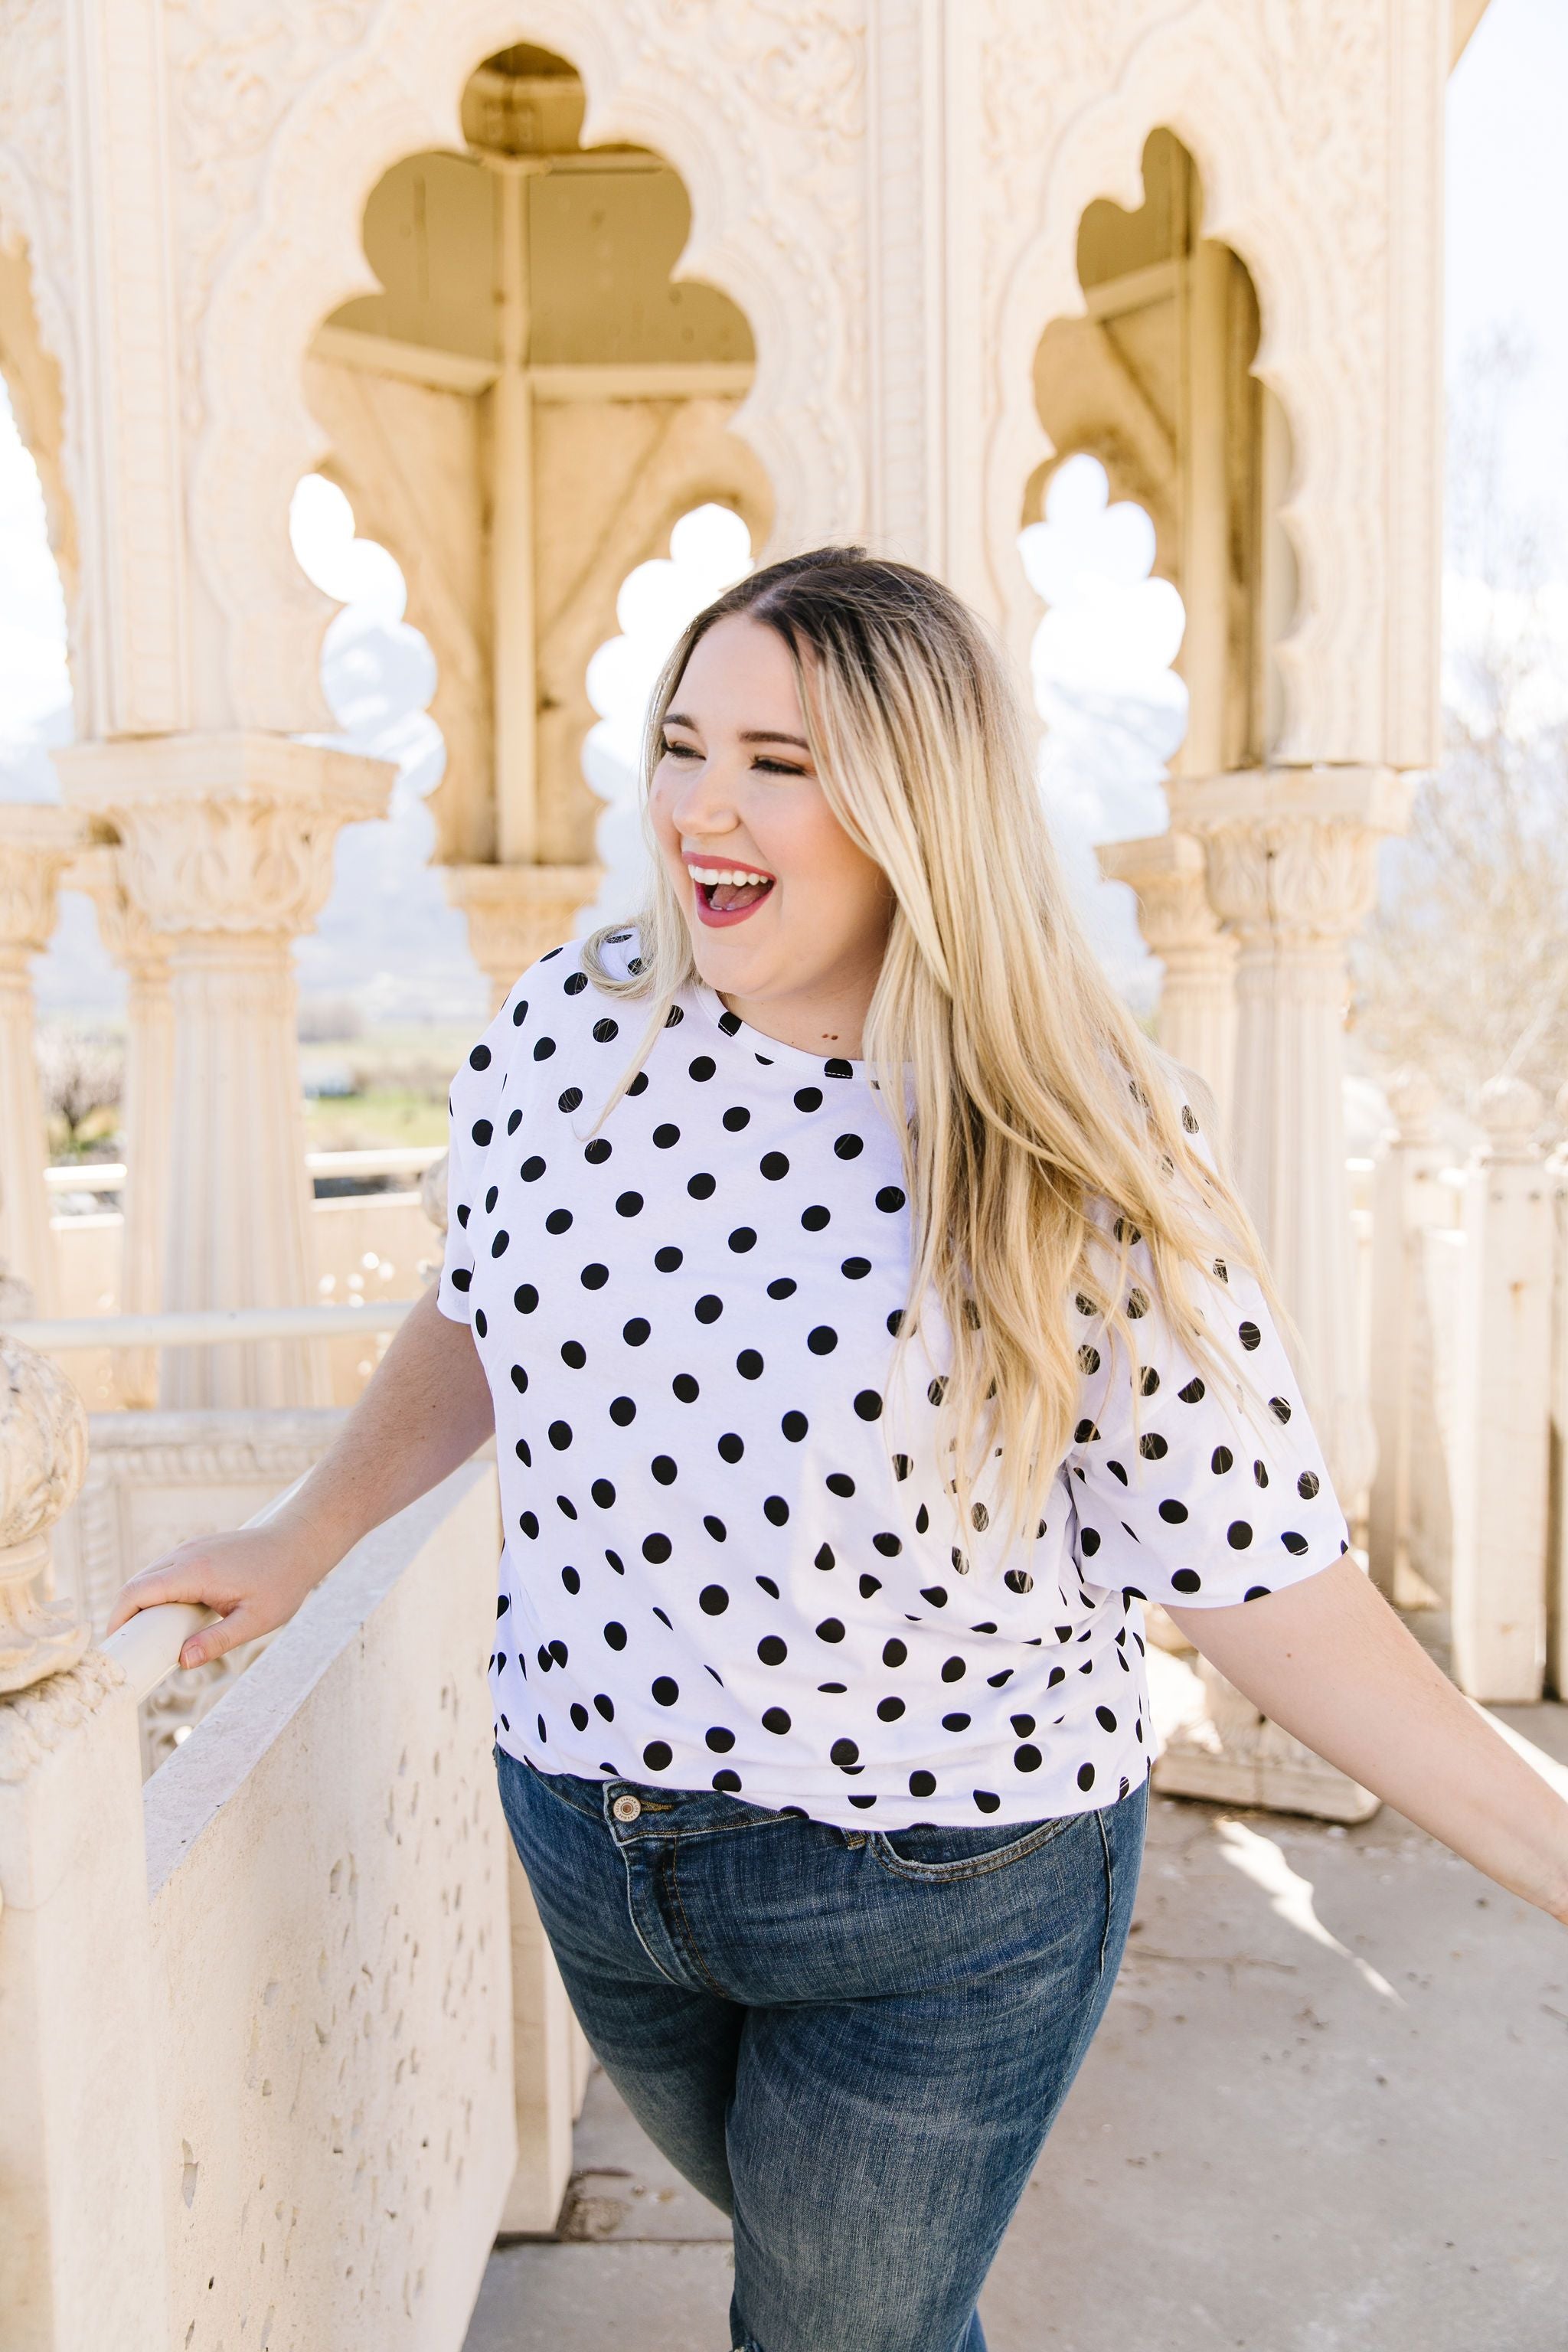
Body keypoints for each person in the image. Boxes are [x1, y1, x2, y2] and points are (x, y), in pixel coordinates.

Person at [109, 548, 1568, 2352]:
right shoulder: (577, 1027)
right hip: (590, 1840)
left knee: (834, 2334)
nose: (703, 806)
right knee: (831, 2289)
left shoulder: (1073, 1145)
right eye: (683, 742)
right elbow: (484, 1302)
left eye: (780, 763)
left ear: (911, 804)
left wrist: (1547, 1845)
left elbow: (1267, 1581)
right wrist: (307, 1531)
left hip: (940, 1900)